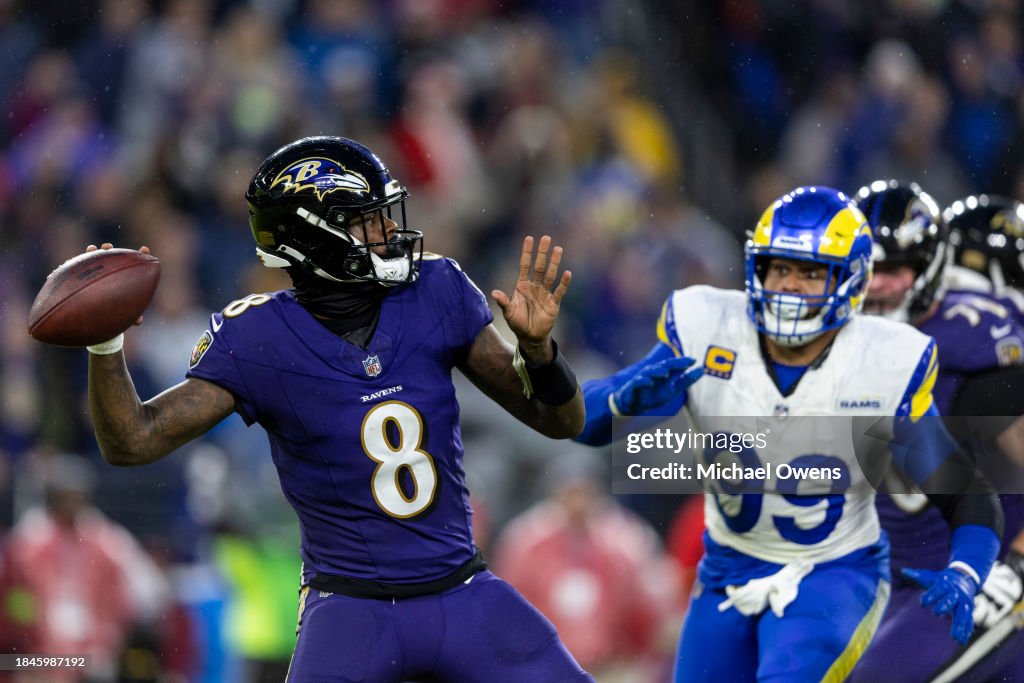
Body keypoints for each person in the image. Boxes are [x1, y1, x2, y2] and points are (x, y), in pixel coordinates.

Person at [79, 136, 593, 682]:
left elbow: (561, 421)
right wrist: (105, 344)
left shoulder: (435, 289)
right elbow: (131, 441)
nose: (389, 229)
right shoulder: (257, 337)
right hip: (351, 609)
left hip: (461, 590)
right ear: (313, 237)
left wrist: (538, 352)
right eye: (367, 220)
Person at [574, 185, 1004, 682]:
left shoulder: (881, 361)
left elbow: (964, 492)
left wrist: (966, 570)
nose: (790, 286)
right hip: (727, 571)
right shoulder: (710, 329)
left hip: (833, 574)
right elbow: (582, 421)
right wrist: (616, 401)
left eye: (810, 273)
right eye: (780, 268)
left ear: (850, 279)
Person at [849, 180, 1024, 682]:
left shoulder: (975, 352)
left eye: (893, 270)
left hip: (967, 575)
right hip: (885, 579)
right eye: (867, 270)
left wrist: (1016, 567)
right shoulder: (838, 340)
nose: (875, 285)